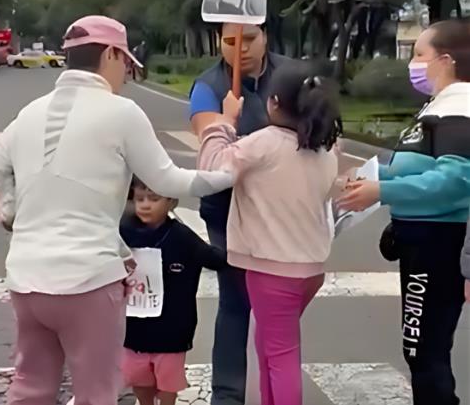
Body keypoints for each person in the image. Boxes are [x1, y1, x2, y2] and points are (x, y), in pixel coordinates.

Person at [0, 15, 231, 405]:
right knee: (96, 392)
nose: (126, 73)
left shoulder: (29, 113)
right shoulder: (121, 112)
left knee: (32, 389)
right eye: (126, 62)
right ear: (112, 54)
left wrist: (11, 207)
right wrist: (227, 175)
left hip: (26, 281)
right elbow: (168, 181)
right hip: (88, 282)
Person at [338, 20, 470, 405]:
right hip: (418, 241)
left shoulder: (459, 109)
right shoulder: (440, 105)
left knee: (424, 350)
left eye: (419, 55)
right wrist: (370, 174)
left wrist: (384, 190)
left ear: (445, 61)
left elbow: (456, 181)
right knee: (420, 349)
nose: (413, 64)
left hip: (437, 243)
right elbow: (419, 165)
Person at [198, 64, 342, 405]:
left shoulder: (264, 143)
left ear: (273, 103)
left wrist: (223, 122)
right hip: (308, 269)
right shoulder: (325, 149)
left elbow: (212, 169)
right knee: (269, 344)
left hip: (273, 271)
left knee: (281, 354)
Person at [188, 22, 290, 405]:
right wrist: (227, 121)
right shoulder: (208, 86)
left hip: (283, 211)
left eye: (249, 38)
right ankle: (227, 396)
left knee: (276, 311)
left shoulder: (292, 76)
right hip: (227, 212)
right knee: (235, 303)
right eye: (230, 40)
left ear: (265, 36)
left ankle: (277, 392)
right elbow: (210, 144)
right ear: (219, 42)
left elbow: (321, 131)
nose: (240, 48)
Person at [120, 179, 227, 405]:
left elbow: (214, 258)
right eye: (140, 199)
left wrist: (244, 254)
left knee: (169, 381)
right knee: (138, 376)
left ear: (171, 202)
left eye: (154, 199)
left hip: (172, 329)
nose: (145, 205)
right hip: (133, 328)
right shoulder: (124, 232)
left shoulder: (182, 237)